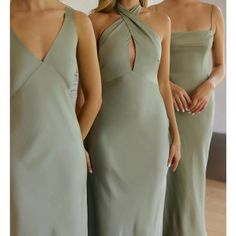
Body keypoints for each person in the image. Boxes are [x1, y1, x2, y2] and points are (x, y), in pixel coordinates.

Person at [79, 0, 180, 235]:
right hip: (107, 135)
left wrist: (175, 136)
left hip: (153, 135)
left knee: (148, 216)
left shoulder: (162, 21)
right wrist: (79, 140)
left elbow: (163, 84)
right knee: (109, 216)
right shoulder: (94, 22)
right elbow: (85, 93)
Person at [10, 0, 101, 235]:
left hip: (66, 161)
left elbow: (94, 97)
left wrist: (75, 142)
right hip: (15, 162)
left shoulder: (79, 22)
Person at [149, 0, 225, 235]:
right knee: (165, 173)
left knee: (192, 175)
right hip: (163, 105)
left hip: (198, 110)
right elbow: (146, 63)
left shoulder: (213, 12)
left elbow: (221, 65)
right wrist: (169, 86)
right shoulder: (154, 13)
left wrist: (209, 86)